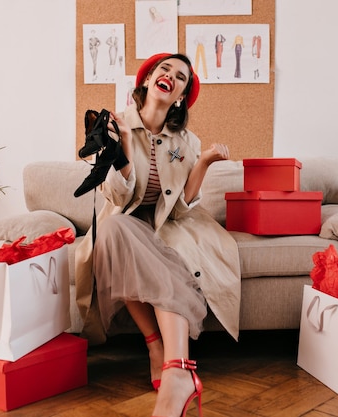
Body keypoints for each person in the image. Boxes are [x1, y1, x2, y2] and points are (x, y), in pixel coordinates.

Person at [75, 53, 241, 417]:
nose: (171, 77)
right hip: (124, 222)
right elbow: (117, 198)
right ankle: (160, 350)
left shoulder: (188, 141)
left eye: (181, 77)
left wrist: (204, 161)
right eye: (164, 70)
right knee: (115, 230)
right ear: (148, 79)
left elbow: (181, 209)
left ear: (181, 95)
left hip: (170, 226)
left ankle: (175, 369)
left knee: (163, 257)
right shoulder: (115, 125)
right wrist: (121, 154)